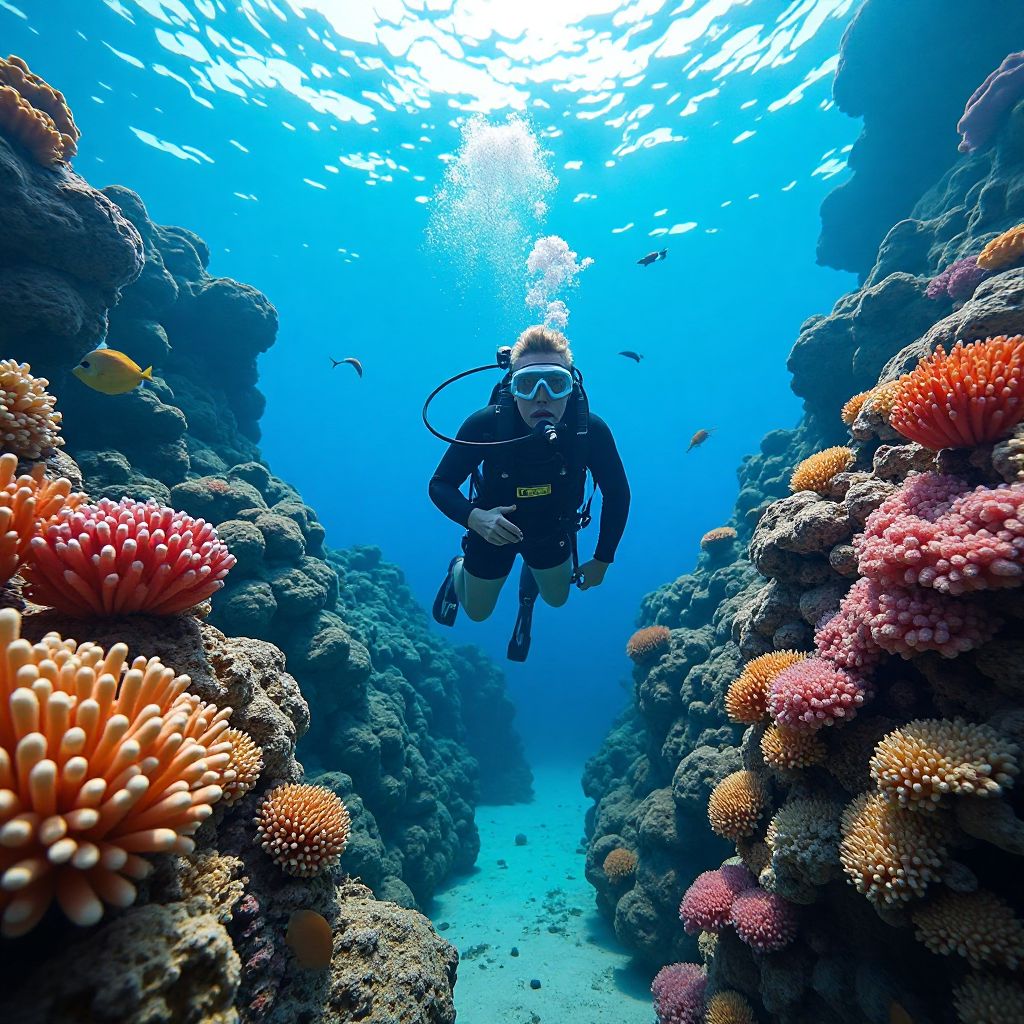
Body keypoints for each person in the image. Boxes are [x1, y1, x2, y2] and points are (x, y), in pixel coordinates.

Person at [428, 325, 630, 631]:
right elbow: (440, 484)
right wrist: (474, 518)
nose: (541, 398)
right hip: (490, 529)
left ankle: (528, 589)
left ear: (571, 385)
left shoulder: (589, 431)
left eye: (555, 383)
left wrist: (603, 559)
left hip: (552, 528)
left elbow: (617, 494)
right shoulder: (486, 425)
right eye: (527, 384)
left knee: (558, 598)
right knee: (477, 612)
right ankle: (457, 569)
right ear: (512, 386)